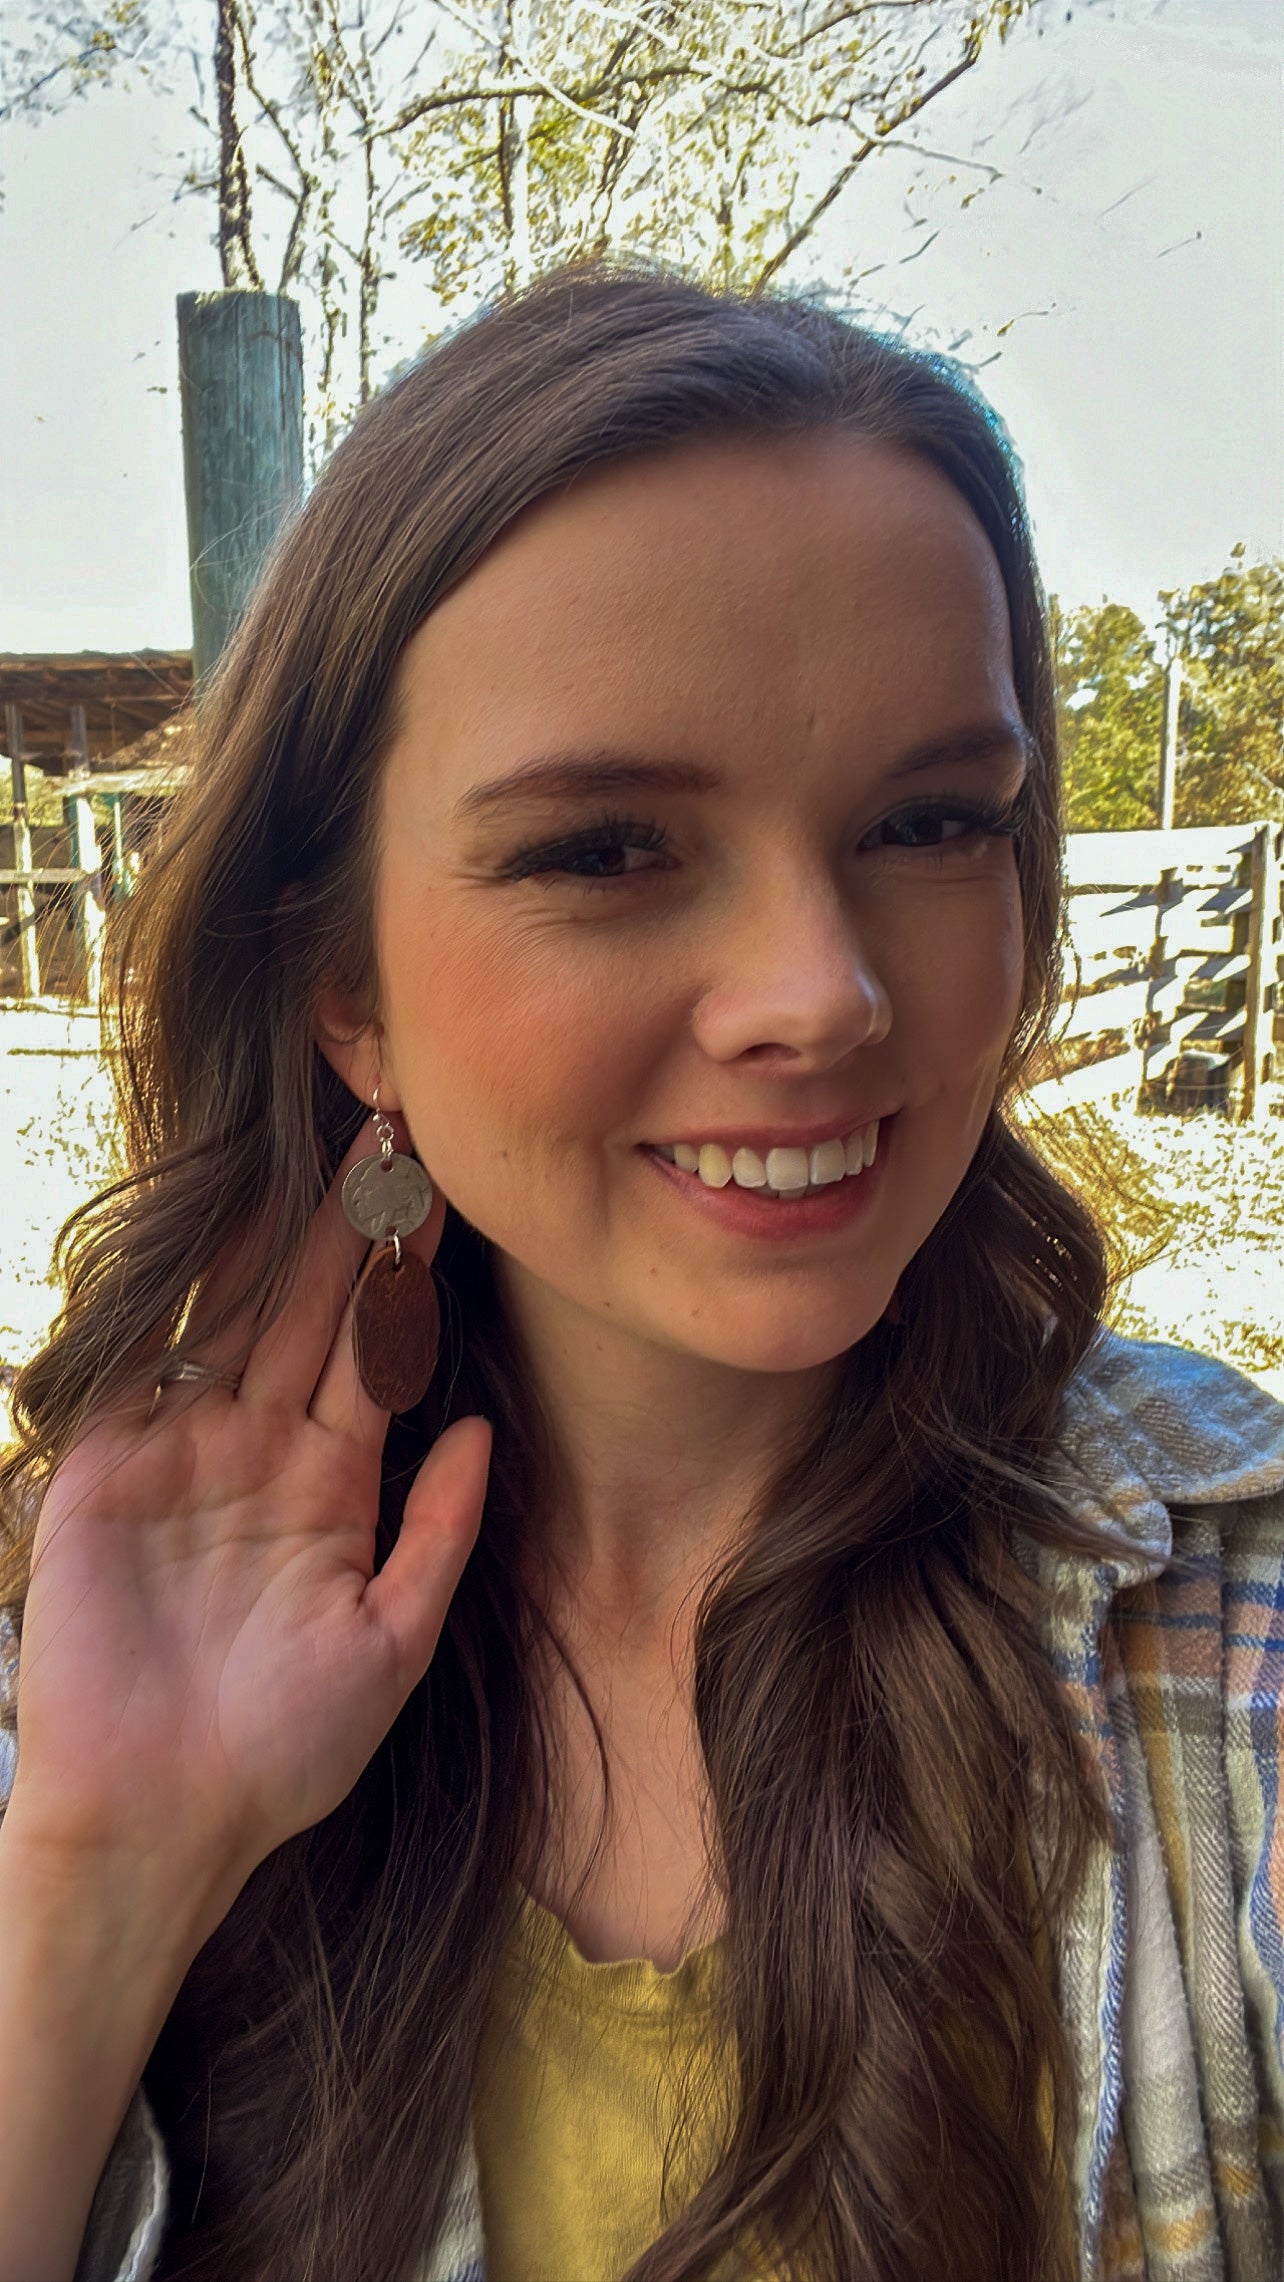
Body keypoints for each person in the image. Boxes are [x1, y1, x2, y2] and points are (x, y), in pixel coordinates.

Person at [0, 263, 1280, 2282]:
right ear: (349, 989)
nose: (824, 993)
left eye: (935, 820)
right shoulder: (109, 1638)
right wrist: (101, 1872)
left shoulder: (1233, 1640)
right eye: (606, 847)